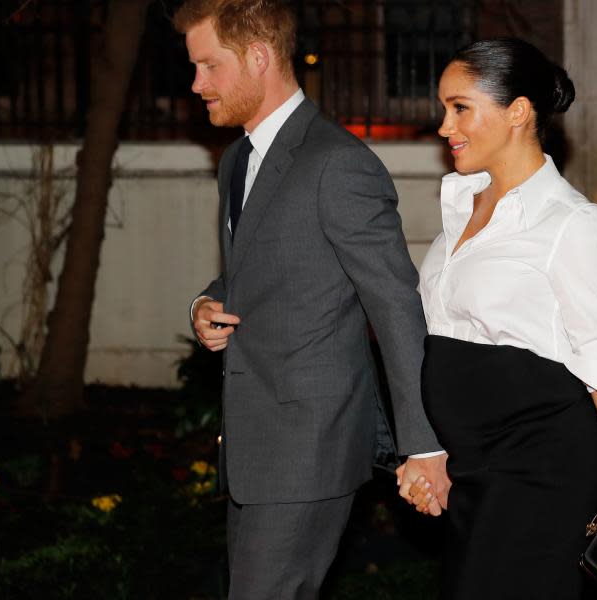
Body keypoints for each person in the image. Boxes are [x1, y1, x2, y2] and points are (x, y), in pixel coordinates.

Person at [174, 1, 448, 597]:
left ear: (259, 56)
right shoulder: (236, 161)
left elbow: (396, 307)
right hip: (251, 446)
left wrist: (422, 444)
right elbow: (251, 271)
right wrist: (206, 303)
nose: (196, 84)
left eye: (208, 66)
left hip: (309, 449)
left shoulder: (339, 164)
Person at [404, 38, 597, 598]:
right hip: (471, 466)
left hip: (541, 465)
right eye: (444, 108)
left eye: (460, 107)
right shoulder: (461, 206)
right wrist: (431, 451)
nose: (445, 125)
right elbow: (443, 344)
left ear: (518, 112)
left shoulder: (572, 224)